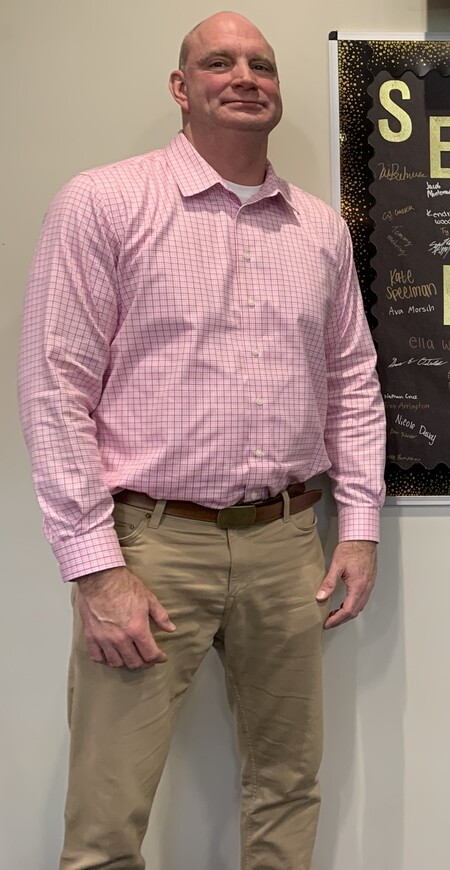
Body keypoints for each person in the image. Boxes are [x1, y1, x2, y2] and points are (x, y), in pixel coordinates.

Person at [18, 11, 386, 870]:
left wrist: (359, 530)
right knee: (107, 821)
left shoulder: (320, 229)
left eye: (261, 63)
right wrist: (95, 569)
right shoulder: (105, 203)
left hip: (290, 541)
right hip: (148, 547)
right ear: (182, 89)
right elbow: (53, 388)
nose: (244, 75)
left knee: (288, 789)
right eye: (218, 62)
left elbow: (353, 387)